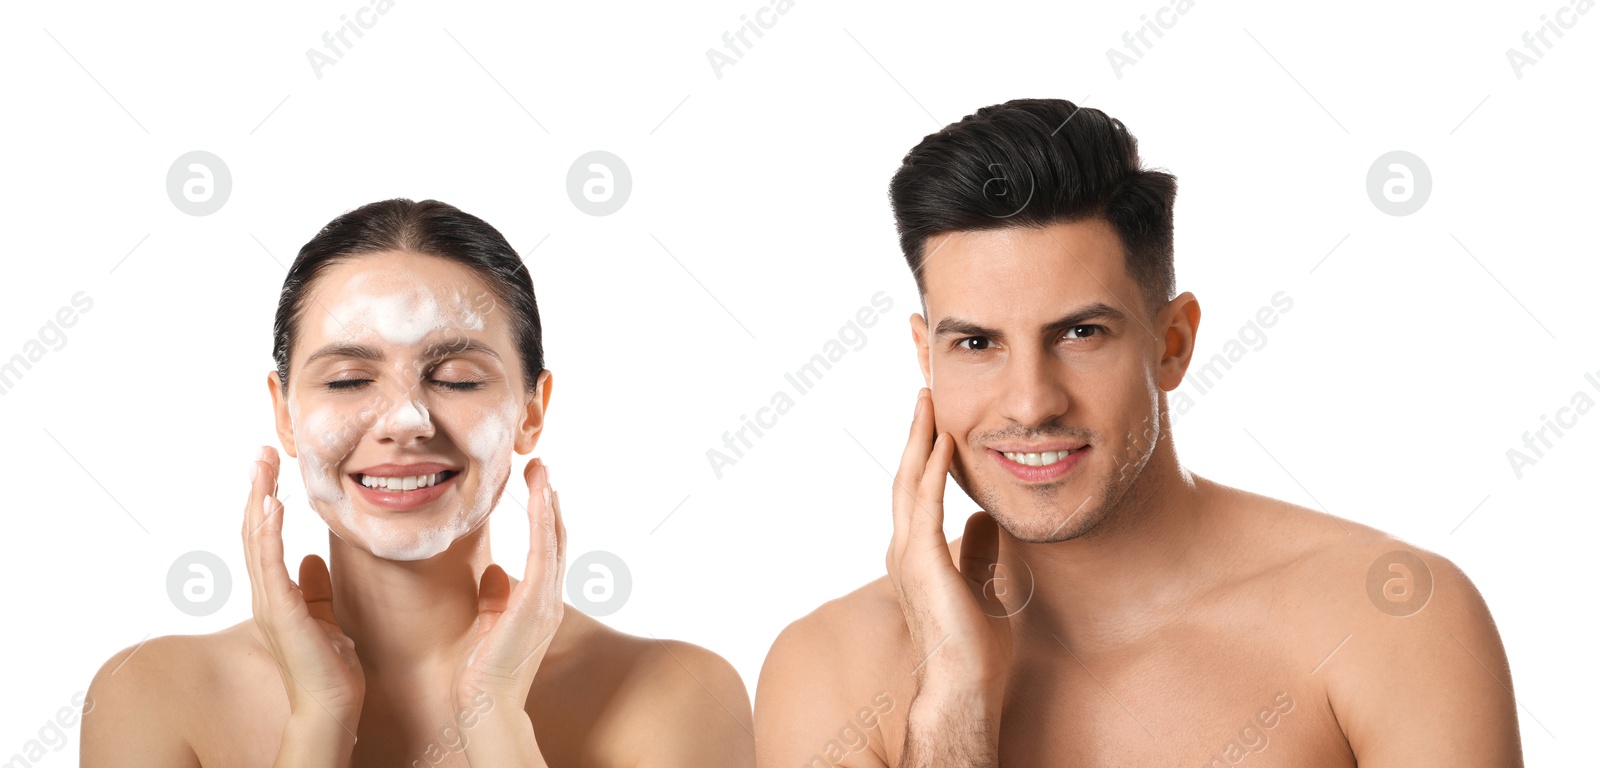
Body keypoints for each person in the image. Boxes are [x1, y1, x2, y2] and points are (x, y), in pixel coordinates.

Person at [754, 99, 1523, 766]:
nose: (1030, 403)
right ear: (926, 356)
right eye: (977, 344)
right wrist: (952, 702)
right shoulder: (828, 669)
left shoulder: (1386, 620)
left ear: (1172, 343)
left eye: (1081, 332)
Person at [83, 198, 755, 767]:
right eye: (348, 379)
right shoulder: (152, 693)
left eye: (457, 378)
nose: (404, 420)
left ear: (531, 411)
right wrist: (318, 722)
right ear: (284, 416)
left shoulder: (674, 695)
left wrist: (497, 725)